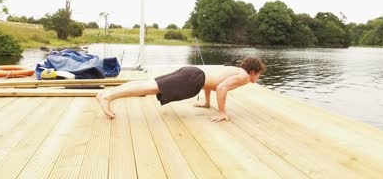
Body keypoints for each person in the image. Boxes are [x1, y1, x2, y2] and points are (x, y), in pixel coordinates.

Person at [96, 57, 266, 122]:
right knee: (150, 87)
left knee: (150, 83)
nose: (258, 78)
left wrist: (207, 103)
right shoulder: (243, 76)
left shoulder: (235, 71)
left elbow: (211, 84)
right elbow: (221, 88)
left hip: (193, 73)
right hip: (194, 78)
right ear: (253, 71)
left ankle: (107, 94)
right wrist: (222, 112)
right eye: (259, 75)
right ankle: (108, 97)